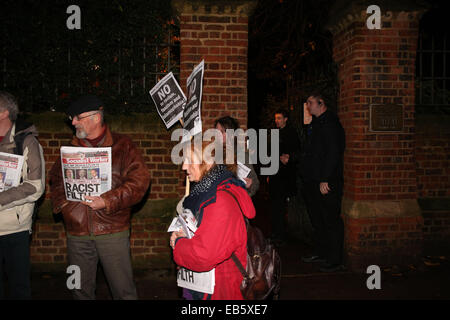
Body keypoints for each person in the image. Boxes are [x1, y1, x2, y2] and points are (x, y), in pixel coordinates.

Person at [49, 95, 150, 299]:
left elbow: (140, 182)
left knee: (123, 291)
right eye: (72, 118)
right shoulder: (70, 149)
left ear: (96, 117)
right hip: (76, 234)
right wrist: (64, 206)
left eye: (78, 117)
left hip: (113, 232)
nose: (73, 122)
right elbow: (56, 181)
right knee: (77, 288)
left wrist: (107, 200)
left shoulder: (124, 145)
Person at [170, 141, 256, 300]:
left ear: (208, 162)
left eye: (189, 160)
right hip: (206, 286)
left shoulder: (220, 200)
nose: (183, 166)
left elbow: (205, 254)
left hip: (219, 290)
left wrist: (179, 244)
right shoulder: (206, 193)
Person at [0, 91, 45, 299]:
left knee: (19, 287)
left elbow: (35, 186)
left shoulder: (26, 142)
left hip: (13, 229)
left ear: (4, 113)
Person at [300, 92, 346, 273]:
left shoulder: (331, 123)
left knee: (330, 219)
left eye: (310, 103)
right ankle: (321, 252)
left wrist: (325, 178)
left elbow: (334, 153)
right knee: (318, 218)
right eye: (307, 103)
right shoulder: (316, 124)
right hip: (313, 179)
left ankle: (335, 259)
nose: (308, 106)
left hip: (326, 181)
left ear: (321, 103)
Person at [268, 109, 300, 244]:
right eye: (276, 118)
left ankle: (281, 234)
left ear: (286, 119)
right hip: (275, 173)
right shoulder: (274, 132)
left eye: (280, 118)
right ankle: (275, 232)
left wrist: (289, 157)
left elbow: (297, 151)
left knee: (280, 205)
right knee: (274, 204)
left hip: (284, 175)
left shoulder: (291, 133)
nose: (277, 121)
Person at [214, 116, 260, 197]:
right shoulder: (212, 154)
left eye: (221, 132)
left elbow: (255, 183)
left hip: (232, 203)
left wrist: (249, 186)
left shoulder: (241, 155)